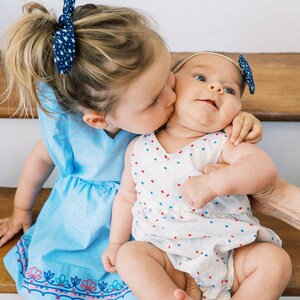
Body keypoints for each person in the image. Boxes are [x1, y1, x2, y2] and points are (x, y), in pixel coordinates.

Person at [0, 1, 263, 299]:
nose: (171, 98)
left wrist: (239, 118)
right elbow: (40, 158)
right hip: (82, 220)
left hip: (153, 223)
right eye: (153, 100)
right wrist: (21, 208)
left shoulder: (163, 113)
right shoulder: (71, 130)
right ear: (100, 119)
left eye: (168, 77)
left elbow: (209, 111)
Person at [102, 52, 292, 300]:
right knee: (131, 256)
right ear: (169, 86)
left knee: (275, 261)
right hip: (165, 256)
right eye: (201, 77)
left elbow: (263, 167)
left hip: (231, 255)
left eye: (230, 90)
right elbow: (127, 198)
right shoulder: (138, 147)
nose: (216, 88)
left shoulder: (224, 142)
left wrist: (214, 183)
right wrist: (116, 244)